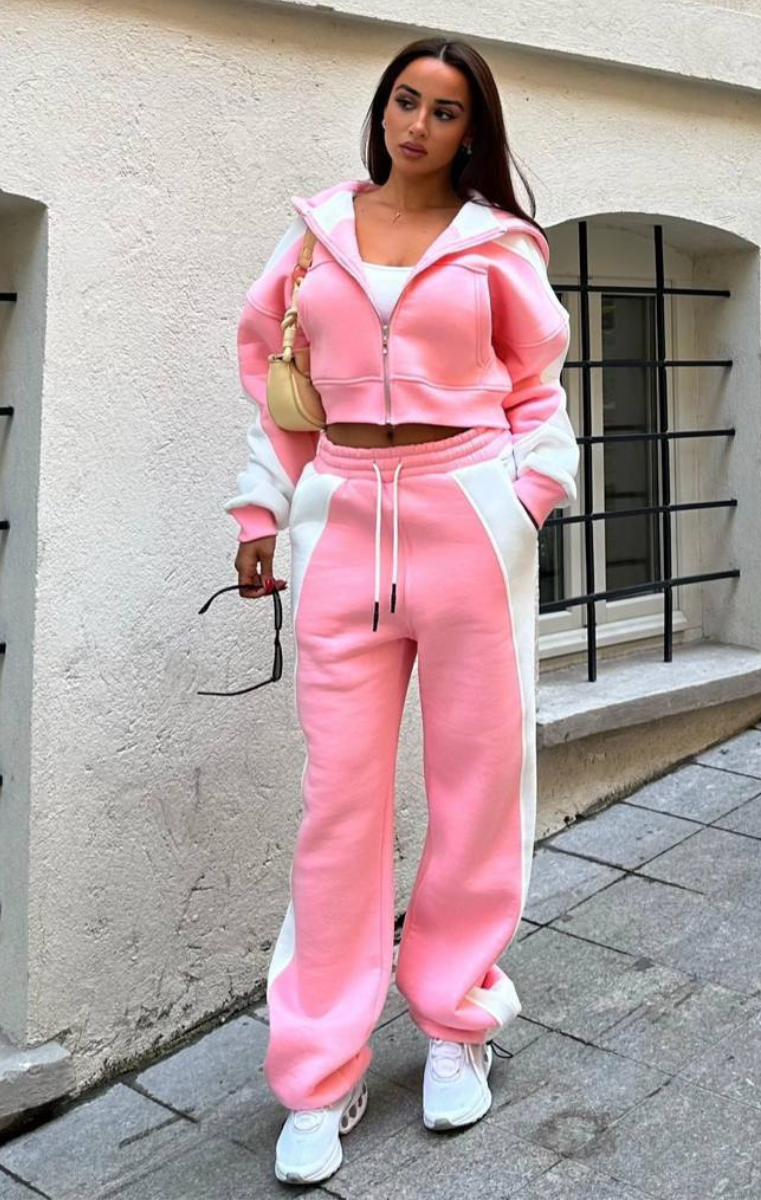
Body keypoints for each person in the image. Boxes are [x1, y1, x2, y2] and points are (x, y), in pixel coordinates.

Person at [224, 35, 580, 1187]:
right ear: (381, 110)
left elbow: (536, 391)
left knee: (476, 790)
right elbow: (274, 384)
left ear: (471, 131)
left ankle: (455, 1022)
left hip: (465, 516)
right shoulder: (314, 233)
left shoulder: (495, 245)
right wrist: (261, 510)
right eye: (403, 100)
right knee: (338, 806)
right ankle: (317, 1072)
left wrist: (524, 502)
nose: (416, 124)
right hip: (341, 521)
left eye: (443, 109)